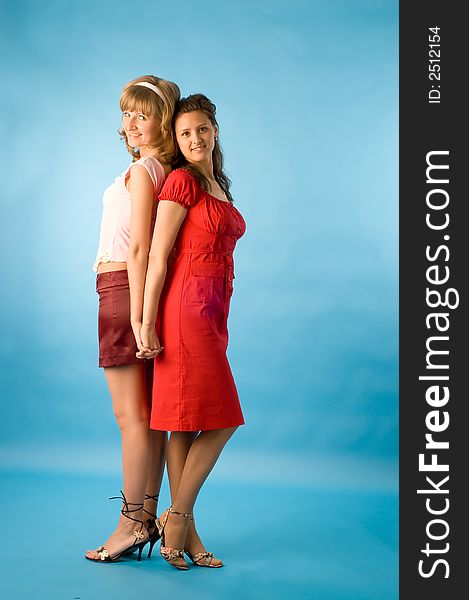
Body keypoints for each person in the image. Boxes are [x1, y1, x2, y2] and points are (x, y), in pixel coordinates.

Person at [137, 94, 246, 569]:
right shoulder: (181, 181)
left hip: (213, 309)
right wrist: (144, 321)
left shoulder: (215, 182)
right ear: (177, 142)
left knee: (185, 422)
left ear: (214, 130)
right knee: (222, 418)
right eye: (184, 133)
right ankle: (177, 516)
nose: (195, 138)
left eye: (201, 129)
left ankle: (184, 537)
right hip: (185, 308)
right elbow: (158, 256)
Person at [85, 75, 180, 563]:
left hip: (123, 291)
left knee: (132, 419)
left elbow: (141, 245)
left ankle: (131, 524)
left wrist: (142, 318)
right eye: (127, 113)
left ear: (162, 120)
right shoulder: (162, 170)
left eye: (142, 114)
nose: (131, 123)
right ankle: (144, 517)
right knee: (149, 420)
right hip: (131, 293)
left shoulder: (145, 171)